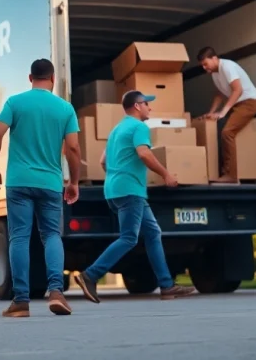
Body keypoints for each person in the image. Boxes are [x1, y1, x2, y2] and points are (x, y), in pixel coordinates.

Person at [74, 90, 196, 303]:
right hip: (130, 191)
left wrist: (119, 174)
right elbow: (144, 153)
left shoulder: (117, 129)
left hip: (114, 190)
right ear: (138, 106)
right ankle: (90, 275)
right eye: (147, 104)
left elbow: (103, 161)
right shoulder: (139, 127)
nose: (150, 107)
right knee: (129, 237)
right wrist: (166, 174)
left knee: (152, 233)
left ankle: (167, 286)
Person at [0, 58, 82, 318]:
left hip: (19, 182)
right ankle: (56, 292)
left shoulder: (15, 102)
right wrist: (73, 181)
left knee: (19, 237)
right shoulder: (65, 109)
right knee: (51, 235)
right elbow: (73, 148)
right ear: (52, 79)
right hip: (50, 183)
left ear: (30, 78)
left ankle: (21, 301)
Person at [197, 47, 256, 183]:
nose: (204, 68)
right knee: (221, 129)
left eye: (205, 64)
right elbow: (219, 94)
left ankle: (231, 175)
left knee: (227, 133)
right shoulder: (215, 73)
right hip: (239, 104)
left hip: (250, 102)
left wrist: (223, 112)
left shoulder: (228, 67)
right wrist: (211, 112)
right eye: (202, 65)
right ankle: (226, 171)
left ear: (214, 58)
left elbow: (237, 90)